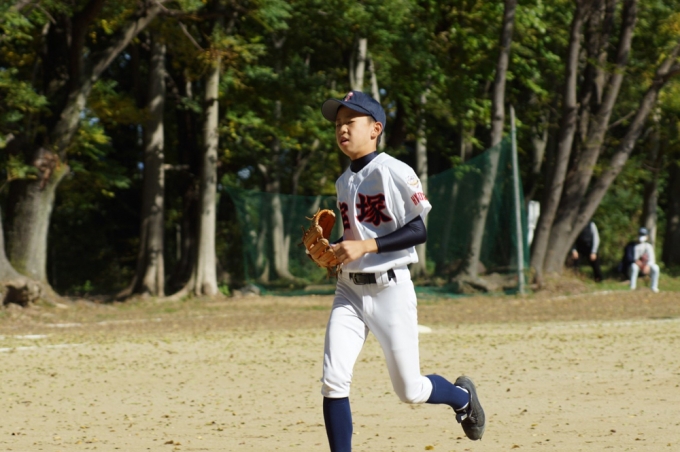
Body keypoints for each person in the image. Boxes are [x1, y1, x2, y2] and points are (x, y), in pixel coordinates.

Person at [318, 90, 485, 452]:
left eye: (350, 121)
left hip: (389, 289)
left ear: (375, 129)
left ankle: (462, 398)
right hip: (349, 291)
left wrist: (364, 246)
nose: (342, 129)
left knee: (409, 390)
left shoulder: (393, 170)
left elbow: (418, 230)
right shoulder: (343, 181)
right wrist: (335, 251)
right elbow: (356, 237)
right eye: (338, 123)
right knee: (333, 380)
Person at [629, 227, 660, 293]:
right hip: (634, 267)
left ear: (647, 236)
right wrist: (636, 261)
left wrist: (647, 266)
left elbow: (652, 259)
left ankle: (654, 287)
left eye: (643, 235)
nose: (641, 236)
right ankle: (632, 287)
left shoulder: (648, 246)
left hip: (646, 267)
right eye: (640, 234)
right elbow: (628, 258)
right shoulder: (631, 246)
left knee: (656, 267)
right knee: (634, 267)